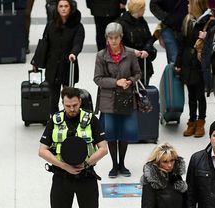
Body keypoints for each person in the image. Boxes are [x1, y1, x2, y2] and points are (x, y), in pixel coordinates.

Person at [37, 87, 112, 208]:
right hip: (62, 179)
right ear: (62, 103)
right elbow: (42, 150)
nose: (71, 109)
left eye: (75, 105)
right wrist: (63, 166)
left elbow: (103, 149)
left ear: (80, 101)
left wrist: (86, 163)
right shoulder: (55, 120)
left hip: (86, 178)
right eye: (67, 105)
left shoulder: (91, 120)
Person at [94, 22, 141, 178]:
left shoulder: (130, 54)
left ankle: (122, 164)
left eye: (116, 37)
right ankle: (114, 165)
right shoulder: (101, 55)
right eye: (110, 38)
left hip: (127, 98)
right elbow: (98, 79)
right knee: (112, 134)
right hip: (108, 100)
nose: (113, 41)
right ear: (107, 39)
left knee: (126, 133)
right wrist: (116, 82)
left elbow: (137, 73)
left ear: (121, 38)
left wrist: (130, 81)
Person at [32, 0, 84, 114]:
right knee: (53, 100)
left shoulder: (77, 26)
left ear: (71, 8)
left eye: (66, 6)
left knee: (69, 99)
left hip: (68, 65)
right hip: (52, 67)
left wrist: (73, 53)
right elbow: (44, 44)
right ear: (57, 8)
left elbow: (78, 43)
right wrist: (36, 61)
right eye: (61, 6)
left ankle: (69, 121)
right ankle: (56, 122)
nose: (63, 9)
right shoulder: (51, 24)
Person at [176, 0, 210, 137]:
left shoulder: (208, 21)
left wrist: (205, 38)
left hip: (199, 63)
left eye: (190, 4)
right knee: (190, 94)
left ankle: (201, 122)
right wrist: (178, 63)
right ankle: (191, 120)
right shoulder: (188, 20)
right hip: (187, 62)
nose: (188, 6)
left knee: (200, 94)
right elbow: (182, 43)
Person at [116, 0, 157, 84]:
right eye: (143, 8)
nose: (145, 10)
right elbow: (118, 45)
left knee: (144, 89)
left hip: (143, 62)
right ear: (138, 9)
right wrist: (132, 52)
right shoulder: (121, 23)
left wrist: (146, 50)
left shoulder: (142, 21)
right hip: (128, 63)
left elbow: (148, 38)